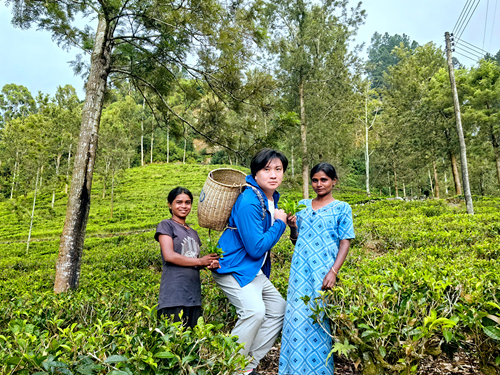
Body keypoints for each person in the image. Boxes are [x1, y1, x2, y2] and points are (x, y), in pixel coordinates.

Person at [212, 148, 289, 375]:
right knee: (254, 312)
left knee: (278, 309)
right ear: (255, 174)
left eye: (278, 169)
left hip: (252, 270)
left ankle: (246, 366)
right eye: (266, 170)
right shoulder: (249, 201)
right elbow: (255, 248)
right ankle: (228, 367)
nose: (273, 175)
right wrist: (280, 224)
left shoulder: (269, 198)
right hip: (235, 268)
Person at [278, 163, 355, 375]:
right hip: (299, 271)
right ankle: (293, 369)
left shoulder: (342, 208)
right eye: (315, 180)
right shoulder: (302, 205)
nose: (319, 184)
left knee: (318, 318)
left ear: (334, 181)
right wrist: (293, 227)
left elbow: (345, 242)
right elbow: (296, 241)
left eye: (324, 180)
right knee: (296, 319)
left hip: (324, 271)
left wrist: (334, 271)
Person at [155, 186, 220, 328]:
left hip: (193, 296)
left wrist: (208, 263)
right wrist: (200, 260)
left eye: (188, 202)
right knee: (172, 343)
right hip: (173, 296)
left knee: (191, 344)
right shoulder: (166, 225)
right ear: (170, 205)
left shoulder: (194, 232)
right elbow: (169, 256)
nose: (184, 206)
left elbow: (193, 261)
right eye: (179, 202)